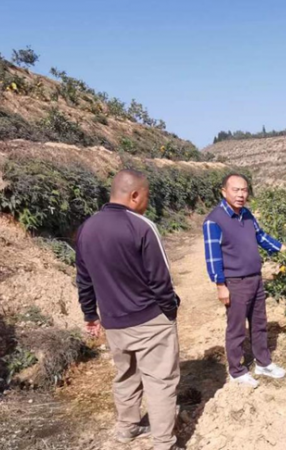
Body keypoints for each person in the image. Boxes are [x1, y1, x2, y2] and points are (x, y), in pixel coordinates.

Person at [76, 169, 183, 450]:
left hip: (114, 322)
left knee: (125, 374)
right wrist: (170, 308)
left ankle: (127, 428)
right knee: (160, 381)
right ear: (135, 195)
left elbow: (84, 279)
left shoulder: (87, 228)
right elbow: (161, 277)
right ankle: (163, 443)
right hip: (150, 319)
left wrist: (90, 314)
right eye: (145, 197)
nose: (146, 202)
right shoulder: (141, 226)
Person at [203, 173, 286, 388]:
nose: (240, 194)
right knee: (236, 328)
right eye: (235, 190)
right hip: (235, 282)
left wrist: (285, 249)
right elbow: (213, 257)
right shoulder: (214, 220)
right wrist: (221, 285)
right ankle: (237, 371)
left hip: (255, 278)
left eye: (244, 190)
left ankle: (263, 363)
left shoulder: (246, 215)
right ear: (224, 192)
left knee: (259, 323)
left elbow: (262, 237)